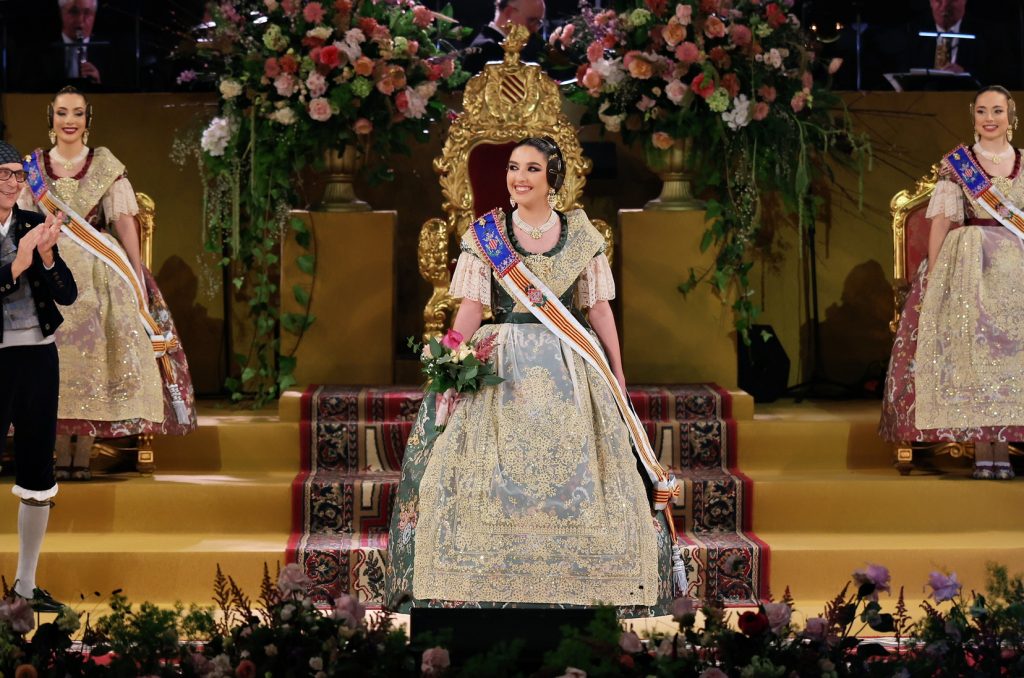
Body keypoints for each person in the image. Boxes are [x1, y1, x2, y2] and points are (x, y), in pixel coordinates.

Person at [385, 137, 675, 614]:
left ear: (552, 178)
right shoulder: (488, 235)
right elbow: (470, 310)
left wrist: (618, 373)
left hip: (570, 362)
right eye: (513, 167)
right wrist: (449, 364)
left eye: (532, 169)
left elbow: (599, 311)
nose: (519, 178)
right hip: (501, 363)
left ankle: (586, 579)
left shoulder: (581, 234)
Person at [18, 86, 196, 480]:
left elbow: (125, 224)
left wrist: (136, 272)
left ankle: (82, 453)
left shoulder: (105, 165)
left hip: (99, 268)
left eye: (77, 113)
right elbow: (21, 220)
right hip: (47, 261)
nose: (69, 120)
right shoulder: (34, 168)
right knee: (47, 352)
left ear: (88, 119)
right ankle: (54, 450)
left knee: (98, 344)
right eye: (62, 112)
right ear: (51, 117)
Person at [880, 85, 1024, 479]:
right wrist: (934, 278)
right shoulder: (958, 165)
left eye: (997, 110)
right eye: (982, 111)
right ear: (973, 115)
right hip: (968, 266)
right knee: (970, 349)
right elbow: (942, 223)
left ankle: (1005, 445)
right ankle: (983, 448)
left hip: (1016, 268)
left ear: (1011, 116)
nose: (989, 118)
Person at [0, 139, 78, 612]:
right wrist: (18, 261)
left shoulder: (32, 224)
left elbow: (67, 295)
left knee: (37, 472)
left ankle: (25, 588)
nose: (12, 183)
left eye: (16, 174)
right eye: (3, 174)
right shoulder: (20, 239)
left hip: (39, 360)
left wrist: (47, 257)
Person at [462, 0, 547, 75]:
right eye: (531, 20)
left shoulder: (492, 47)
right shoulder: (487, 50)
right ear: (508, 12)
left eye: (539, 23)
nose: (535, 29)